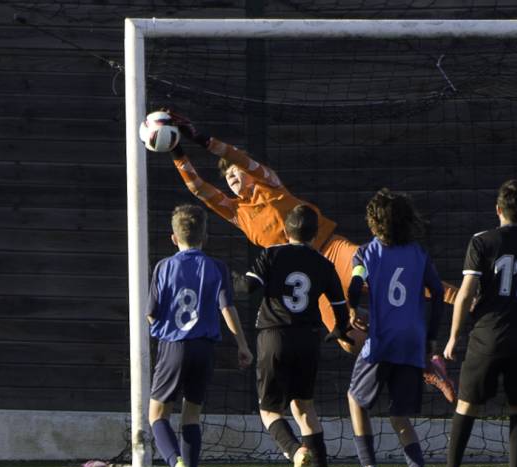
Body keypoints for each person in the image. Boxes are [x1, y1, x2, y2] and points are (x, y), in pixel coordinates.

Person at [163, 109, 458, 402]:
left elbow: (238, 156)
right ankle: (425, 365)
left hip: (332, 250)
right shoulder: (239, 215)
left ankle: (465, 297)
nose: (232, 179)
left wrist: (199, 138)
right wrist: (177, 151)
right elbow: (199, 189)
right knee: (349, 340)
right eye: (227, 176)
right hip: (312, 278)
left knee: (391, 277)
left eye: (235, 172)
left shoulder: (270, 185)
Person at [435, 179, 517, 467]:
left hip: (486, 336)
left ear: (498, 209)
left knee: (467, 405)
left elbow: (465, 295)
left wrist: (453, 337)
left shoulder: (481, 242)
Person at [236, 204, 351, 467]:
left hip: (274, 337)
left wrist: (231, 280)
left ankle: (294, 450)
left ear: (286, 232)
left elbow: (248, 288)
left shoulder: (273, 254)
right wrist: (338, 330)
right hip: (308, 339)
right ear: (315, 234)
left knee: (269, 410)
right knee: (304, 407)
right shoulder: (323, 263)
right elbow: (339, 307)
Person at [146, 204, 253, 467]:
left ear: (173, 237)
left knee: (157, 415)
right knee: (191, 415)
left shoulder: (163, 267)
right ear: (205, 237)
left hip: (173, 346)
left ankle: (176, 464)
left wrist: (163, 328)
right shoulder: (216, 267)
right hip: (204, 348)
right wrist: (242, 345)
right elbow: (226, 308)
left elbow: (151, 314)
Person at [343, 188, 444, 467]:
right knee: (399, 414)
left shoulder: (366, 253)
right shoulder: (419, 254)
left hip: (382, 340)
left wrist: (350, 307)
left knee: (355, 399)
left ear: (374, 222)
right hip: (412, 341)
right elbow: (438, 293)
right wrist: (431, 336)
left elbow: (356, 283)